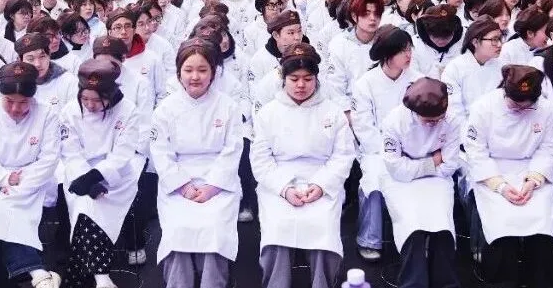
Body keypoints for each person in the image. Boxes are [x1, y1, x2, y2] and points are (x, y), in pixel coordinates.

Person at [251, 42, 353, 288]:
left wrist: (321, 185)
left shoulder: (333, 112)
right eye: (294, 79)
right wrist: (285, 189)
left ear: (317, 79)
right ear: (283, 79)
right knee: (277, 232)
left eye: (307, 79)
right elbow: (261, 160)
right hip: (278, 184)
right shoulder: (268, 113)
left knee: (323, 234)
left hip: (322, 183)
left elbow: (342, 156)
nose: (300, 85)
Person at [150, 38, 242, 288]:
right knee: (178, 232)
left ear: (213, 72)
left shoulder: (228, 106)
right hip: (178, 184)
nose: (195, 77)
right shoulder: (165, 110)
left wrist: (212, 187)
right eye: (188, 70)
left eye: (202, 70)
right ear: (179, 72)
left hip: (218, 184)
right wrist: (183, 186)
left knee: (214, 231)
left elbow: (232, 150)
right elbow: (161, 153)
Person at [0, 62, 63, 288]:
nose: (16, 108)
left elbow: (49, 159)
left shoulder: (47, 113)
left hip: (32, 181)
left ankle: (22, 277)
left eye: (23, 102)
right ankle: (36, 273)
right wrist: (3, 179)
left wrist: (21, 184)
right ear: (1, 95)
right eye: (9, 101)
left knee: (8, 212)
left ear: (33, 98)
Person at [463, 65, 553, 287]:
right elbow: (476, 152)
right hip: (493, 173)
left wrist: (533, 180)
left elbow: (549, 148)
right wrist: (501, 186)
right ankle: (503, 280)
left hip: (532, 170)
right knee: (502, 225)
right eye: (516, 104)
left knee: (542, 222)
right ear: (505, 92)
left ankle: (539, 280)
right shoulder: (483, 107)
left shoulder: (546, 109)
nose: (521, 109)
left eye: (527, 106)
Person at [60, 58, 144, 288]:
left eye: (97, 100)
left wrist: (97, 176)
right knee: (86, 209)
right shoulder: (69, 111)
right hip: (80, 174)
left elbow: (124, 152)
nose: (90, 105)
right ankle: (101, 276)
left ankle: (81, 279)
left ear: (110, 94)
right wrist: (87, 181)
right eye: (85, 99)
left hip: (117, 179)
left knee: (95, 209)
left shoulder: (128, 110)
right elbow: (70, 151)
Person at [350, 25, 422, 262]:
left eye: (409, 49)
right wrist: (390, 151)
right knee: (374, 180)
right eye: (402, 50)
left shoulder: (418, 81)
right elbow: (364, 127)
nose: (408, 55)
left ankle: (416, 239)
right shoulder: (365, 83)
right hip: (376, 151)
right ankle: (370, 239)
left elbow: (423, 123)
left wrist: (408, 150)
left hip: (413, 149)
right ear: (386, 54)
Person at [381, 77, 461, 288]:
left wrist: (417, 166)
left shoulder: (452, 120)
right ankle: (413, 283)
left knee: (442, 224)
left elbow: (450, 165)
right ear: (414, 112)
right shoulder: (394, 121)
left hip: (438, 180)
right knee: (412, 225)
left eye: (438, 120)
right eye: (428, 121)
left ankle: (445, 283)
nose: (434, 124)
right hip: (401, 184)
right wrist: (433, 160)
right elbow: (397, 169)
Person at [441, 16, 505, 132]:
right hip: (465, 131)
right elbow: (454, 113)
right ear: (475, 42)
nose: (499, 44)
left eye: (500, 39)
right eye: (494, 40)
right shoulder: (455, 68)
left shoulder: (502, 66)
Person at [411, 4, 464, 78]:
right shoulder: (414, 45)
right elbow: (412, 75)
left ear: (454, 31)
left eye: (446, 37)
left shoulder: (464, 41)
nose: (441, 41)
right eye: (435, 37)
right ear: (427, 32)